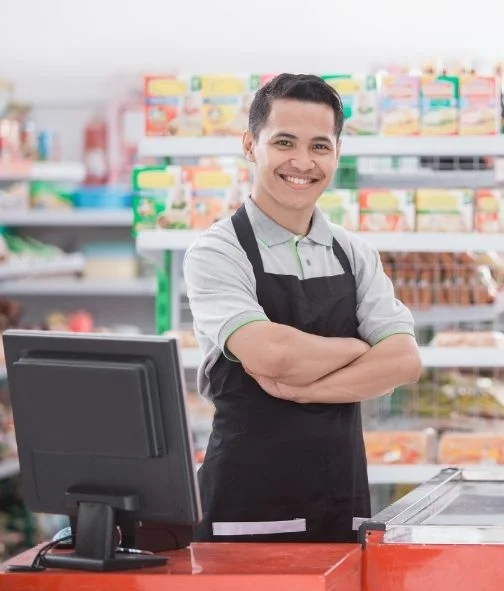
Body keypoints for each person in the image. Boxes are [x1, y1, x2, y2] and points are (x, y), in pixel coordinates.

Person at [182, 73, 422, 543]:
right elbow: (274, 356)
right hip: (247, 503)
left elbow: (405, 361)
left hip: (342, 498)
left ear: (336, 154)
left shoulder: (352, 252)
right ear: (251, 145)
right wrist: (358, 348)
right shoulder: (217, 251)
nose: (302, 162)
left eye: (319, 146)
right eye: (284, 142)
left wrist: (301, 390)